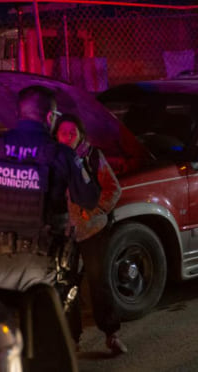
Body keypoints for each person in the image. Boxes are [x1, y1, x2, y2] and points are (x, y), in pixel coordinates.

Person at [0, 85, 100, 295]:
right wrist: (82, 163)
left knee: (0, 325)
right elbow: (89, 199)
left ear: (19, 114)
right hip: (42, 263)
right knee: (42, 324)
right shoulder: (62, 154)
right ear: (49, 117)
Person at [54, 114, 127, 355]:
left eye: (73, 132)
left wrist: (93, 211)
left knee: (99, 283)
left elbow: (113, 188)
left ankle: (111, 334)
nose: (68, 136)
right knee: (67, 286)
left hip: (93, 230)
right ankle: (71, 338)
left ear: (81, 134)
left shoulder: (92, 157)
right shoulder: (53, 160)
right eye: (63, 132)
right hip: (66, 233)